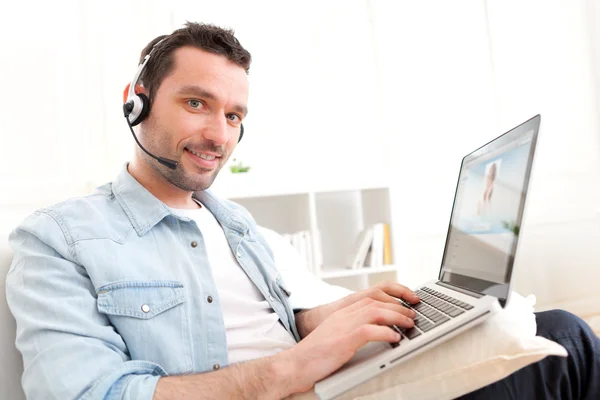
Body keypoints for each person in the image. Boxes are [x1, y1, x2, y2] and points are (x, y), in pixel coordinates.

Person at [5, 22, 599, 400]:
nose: (219, 134)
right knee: (569, 345)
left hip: (336, 380)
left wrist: (342, 317)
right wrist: (299, 364)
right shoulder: (58, 238)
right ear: (136, 104)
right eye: (196, 103)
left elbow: (280, 315)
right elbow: (90, 395)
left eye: (234, 116)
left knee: (557, 330)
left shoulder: (231, 222)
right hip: (299, 389)